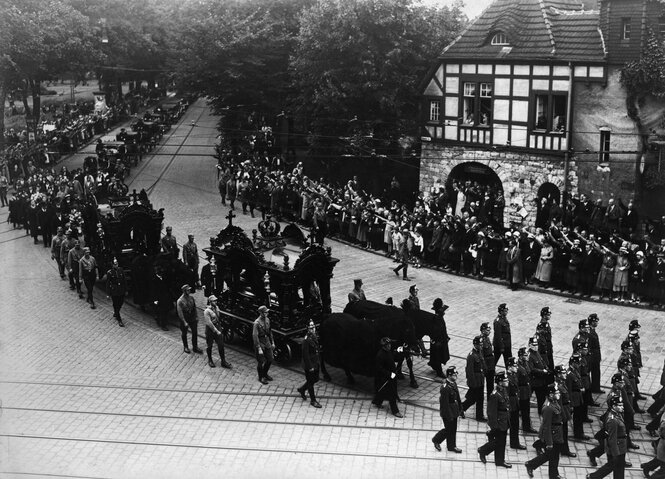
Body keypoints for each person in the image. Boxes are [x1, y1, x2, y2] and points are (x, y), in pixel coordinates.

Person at [525, 384, 564, 479]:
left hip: (557, 432)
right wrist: (549, 442)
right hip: (553, 433)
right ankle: (531, 464)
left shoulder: (554, 402)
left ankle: (553, 474)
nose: (559, 394)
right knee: (549, 454)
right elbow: (546, 427)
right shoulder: (548, 408)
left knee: (554, 455)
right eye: (557, 393)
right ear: (551, 395)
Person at [586, 394, 627, 479]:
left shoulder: (617, 414)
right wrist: (616, 453)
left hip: (620, 446)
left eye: (622, 405)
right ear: (613, 406)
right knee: (612, 466)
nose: (622, 407)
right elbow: (612, 438)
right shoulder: (613, 420)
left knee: (616, 467)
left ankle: (593, 476)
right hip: (617, 447)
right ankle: (593, 477)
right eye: (619, 405)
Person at [478, 371, 513, 468]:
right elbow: (491, 412)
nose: (507, 382)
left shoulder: (503, 390)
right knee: (499, 441)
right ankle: (483, 450)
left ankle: (499, 460)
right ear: (500, 382)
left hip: (504, 420)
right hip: (499, 422)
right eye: (505, 380)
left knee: (501, 441)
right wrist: (494, 426)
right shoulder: (495, 395)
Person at [432, 365, 463, 453]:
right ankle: (436, 440)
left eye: (456, 374)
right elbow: (444, 404)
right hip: (448, 412)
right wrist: (449, 415)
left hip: (454, 410)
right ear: (449, 375)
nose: (455, 376)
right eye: (454, 375)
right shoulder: (445, 388)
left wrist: (461, 409)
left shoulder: (453, 383)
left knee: (453, 429)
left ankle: (451, 446)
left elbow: (458, 397)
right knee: (449, 429)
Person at [372, 337, 403, 418]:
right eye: (388, 345)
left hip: (392, 376)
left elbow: (393, 358)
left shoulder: (388, 352)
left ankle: (377, 402)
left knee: (382, 391)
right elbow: (379, 369)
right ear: (384, 346)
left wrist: (398, 352)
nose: (390, 346)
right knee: (392, 394)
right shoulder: (380, 355)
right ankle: (395, 411)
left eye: (390, 344)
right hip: (385, 378)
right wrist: (389, 374)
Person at [297, 320, 322, 408]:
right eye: (311, 327)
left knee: (316, 379)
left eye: (313, 327)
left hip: (315, 362)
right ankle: (313, 400)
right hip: (309, 364)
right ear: (307, 329)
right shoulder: (306, 340)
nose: (313, 329)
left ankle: (302, 389)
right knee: (311, 382)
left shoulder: (314, 336)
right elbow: (305, 355)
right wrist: (310, 367)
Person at [462, 335, 486, 422]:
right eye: (480, 344)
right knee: (472, 399)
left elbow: (482, 364)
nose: (481, 346)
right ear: (475, 344)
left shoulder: (479, 352)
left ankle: (479, 416)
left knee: (480, 398)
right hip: (475, 381)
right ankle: (461, 408)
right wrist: (472, 382)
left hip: (480, 380)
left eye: (482, 344)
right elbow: (469, 371)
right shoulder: (471, 356)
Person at [203, 295, 231, 369]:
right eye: (214, 301)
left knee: (221, 345)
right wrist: (216, 331)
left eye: (216, 301)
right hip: (210, 329)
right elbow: (209, 323)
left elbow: (218, 317)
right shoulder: (207, 311)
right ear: (210, 302)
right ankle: (210, 360)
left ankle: (223, 361)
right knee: (209, 345)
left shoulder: (217, 308)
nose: (216, 302)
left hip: (218, 327)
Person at [506, 357, 527, 450]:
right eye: (514, 366)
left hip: (515, 402)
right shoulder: (507, 378)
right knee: (510, 424)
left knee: (515, 424)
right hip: (511, 404)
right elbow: (506, 394)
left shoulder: (513, 375)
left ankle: (515, 442)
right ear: (509, 367)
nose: (516, 367)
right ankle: (514, 442)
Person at [176, 284, 202, 355]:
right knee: (184, 333)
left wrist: (196, 316)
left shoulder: (191, 298)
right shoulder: (180, 301)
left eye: (189, 290)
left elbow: (194, 308)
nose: (189, 291)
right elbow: (180, 312)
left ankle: (195, 347)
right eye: (188, 290)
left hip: (192, 318)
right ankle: (185, 347)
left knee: (195, 332)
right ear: (184, 291)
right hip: (185, 318)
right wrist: (184, 322)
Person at [253, 305, 275, 384]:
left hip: (267, 341)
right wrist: (258, 348)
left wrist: (272, 342)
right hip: (260, 342)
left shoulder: (267, 320)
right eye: (265, 312)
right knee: (261, 361)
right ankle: (261, 377)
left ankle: (265, 373)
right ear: (261, 313)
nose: (267, 313)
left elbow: (270, 332)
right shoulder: (256, 323)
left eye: (267, 312)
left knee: (270, 359)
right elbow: (255, 336)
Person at [428, 299, 450, 377]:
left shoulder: (439, 317)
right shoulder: (437, 318)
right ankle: (439, 371)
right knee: (438, 356)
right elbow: (437, 331)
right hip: (438, 341)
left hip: (440, 339)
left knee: (437, 355)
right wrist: (438, 340)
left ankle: (434, 365)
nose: (444, 312)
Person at [517, 347, 536, 433]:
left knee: (526, 409)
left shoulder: (526, 363)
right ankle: (526, 427)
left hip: (526, 389)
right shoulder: (518, 367)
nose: (527, 356)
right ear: (520, 356)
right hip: (522, 391)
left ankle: (526, 426)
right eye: (525, 355)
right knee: (524, 410)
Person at [106, 258, 127, 327]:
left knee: (121, 302)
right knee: (115, 304)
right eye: (115, 264)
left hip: (121, 289)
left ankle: (116, 311)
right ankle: (119, 319)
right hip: (114, 290)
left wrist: (126, 290)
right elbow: (108, 283)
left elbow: (124, 280)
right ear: (112, 265)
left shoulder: (121, 270)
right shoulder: (110, 272)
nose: (116, 265)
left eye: (117, 264)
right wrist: (108, 294)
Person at [493, 303, 512, 367]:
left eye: (507, 311)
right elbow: (498, 336)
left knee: (509, 361)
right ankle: (490, 372)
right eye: (505, 311)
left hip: (506, 344)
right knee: (494, 360)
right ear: (501, 311)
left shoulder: (504, 318)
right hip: (500, 345)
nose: (507, 312)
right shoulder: (498, 321)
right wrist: (501, 347)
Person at [480, 322, 495, 397]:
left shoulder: (487, 338)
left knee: (491, 384)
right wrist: (484, 366)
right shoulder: (481, 341)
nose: (489, 332)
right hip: (486, 364)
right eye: (488, 330)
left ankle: (490, 397)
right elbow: (481, 355)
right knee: (487, 383)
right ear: (483, 330)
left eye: (490, 330)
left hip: (491, 363)